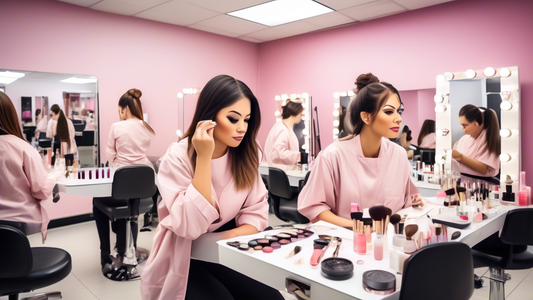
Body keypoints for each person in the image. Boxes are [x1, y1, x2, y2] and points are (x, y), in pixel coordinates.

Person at [141, 75, 282, 300]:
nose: (242, 128)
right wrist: (204, 158)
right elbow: (190, 227)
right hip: (186, 254)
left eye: (247, 119)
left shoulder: (247, 152)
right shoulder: (177, 156)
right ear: (210, 116)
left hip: (229, 246)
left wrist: (224, 238)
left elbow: (256, 211)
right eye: (233, 119)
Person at [298, 82, 422, 228]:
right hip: (346, 240)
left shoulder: (399, 155)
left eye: (399, 111)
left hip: (389, 241)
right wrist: (358, 227)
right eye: (389, 112)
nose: (398, 118)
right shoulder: (333, 155)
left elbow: (408, 200)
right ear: (366, 117)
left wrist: (418, 203)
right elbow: (315, 207)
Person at [93, 89, 156, 271]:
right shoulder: (147, 128)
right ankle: (129, 250)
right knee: (130, 207)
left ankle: (105, 253)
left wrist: (118, 166)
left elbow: (110, 154)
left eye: (120, 110)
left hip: (121, 184)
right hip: (143, 193)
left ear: (124, 108)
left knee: (97, 201)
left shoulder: (117, 127)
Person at [0, 92, 56, 243]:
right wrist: (54, 180)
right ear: (10, 116)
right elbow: (41, 190)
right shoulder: (22, 148)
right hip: (18, 223)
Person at [453, 104, 500, 177]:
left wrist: (460, 157)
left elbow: (484, 169)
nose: (463, 129)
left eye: (465, 125)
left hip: (483, 184)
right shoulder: (463, 139)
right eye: (461, 126)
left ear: (476, 124)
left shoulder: (490, 141)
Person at [264, 100, 303, 168]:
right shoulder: (283, 130)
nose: (301, 117)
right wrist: (300, 156)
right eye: (300, 114)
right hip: (280, 171)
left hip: (278, 170)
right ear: (294, 113)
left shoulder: (280, 126)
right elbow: (279, 152)